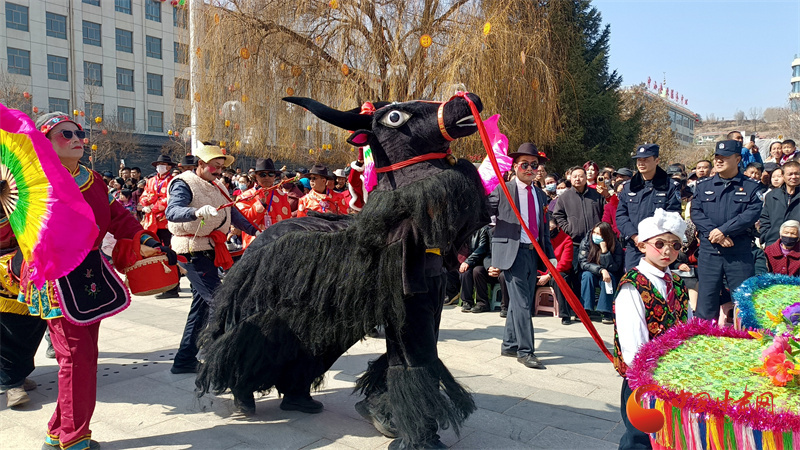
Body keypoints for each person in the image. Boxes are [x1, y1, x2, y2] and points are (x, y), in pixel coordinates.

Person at [24, 112, 174, 450]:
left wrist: (144, 239)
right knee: (74, 358)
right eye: (65, 134)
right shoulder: (34, 183)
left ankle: (58, 431)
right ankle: (74, 438)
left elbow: (119, 217)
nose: (77, 139)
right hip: (57, 275)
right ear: (44, 143)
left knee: (84, 357)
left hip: (91, 274)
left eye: (78, 133)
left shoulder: (92, 179)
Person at [165, 143, 258, 378]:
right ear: (201, 164)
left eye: (221, 167)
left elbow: (233, 213)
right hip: (191, 250)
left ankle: (184, 359)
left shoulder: (218, 185)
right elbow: (172, 211)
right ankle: (233, 356)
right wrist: (195, 212)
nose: (219, 171)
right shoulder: (183, 182)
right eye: (215, 166)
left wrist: (255, 231)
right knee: (222, 302)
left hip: (210, 249)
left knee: (202, 307)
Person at [613, 209, 691, 450]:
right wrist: (650, 375)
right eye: (660, 244)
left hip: (675, 377)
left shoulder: (678, 283)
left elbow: (689, 327)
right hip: (644, 379)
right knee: (640, 439)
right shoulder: (632, 285)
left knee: (670, 435)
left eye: (675, 245)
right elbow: (633, 345)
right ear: (642, 245)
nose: (668, 251)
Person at [487, 143, 556, 370]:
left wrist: (550, 256)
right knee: (523, 304)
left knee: (519, 302)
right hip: (512, 254)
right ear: (515, 166)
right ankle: (526, 351)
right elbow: (484, 213)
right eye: (524, 164)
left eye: (534, 165)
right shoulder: (503, 189)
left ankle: (509, 344)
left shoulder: (540, 195)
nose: (529, 169)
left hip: (532, 253)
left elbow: (544, 229)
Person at [691, 140, 763, 321]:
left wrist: (724, 231)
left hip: (738, 252)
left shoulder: (751, 186)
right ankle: (704, 336)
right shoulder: (703, 185)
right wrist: (715, 234)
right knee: (706, 302)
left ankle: (745, 336)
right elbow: (696, 212)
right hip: (710, 251)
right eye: (717, 156)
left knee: (744, 303)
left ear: (738, 159)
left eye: (725, 157)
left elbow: (751, 214)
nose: (719, 160)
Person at [616, 144, 682, 271]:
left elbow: (673, 216)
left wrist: (653, 239)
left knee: (656, 281)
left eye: (645, 159)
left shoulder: (670, 186)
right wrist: (635, 236)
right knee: (634, 280)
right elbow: (621, 215)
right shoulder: (629, 187)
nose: (641, 163)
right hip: (635, 246)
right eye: (639, 160)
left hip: (658, 247)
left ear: (657, 161)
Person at [553, 166, 605, 296]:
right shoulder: (565, 197)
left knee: (593, 273)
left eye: (581, 176)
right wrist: (568, 228)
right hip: (575, 243)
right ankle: (577, 304)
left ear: (586, 177)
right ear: (570, 178)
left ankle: (591, 303)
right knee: (576, 275)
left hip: (594, 243)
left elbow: (605, 212)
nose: (578, 179)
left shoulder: (596, 195)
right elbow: (558, 215)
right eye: (574, 176)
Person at [139, 154, 179, 299]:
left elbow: (169, 200)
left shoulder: (173, 181)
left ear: (169, 167)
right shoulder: (150, 181)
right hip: (152, 222)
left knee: (170, 253)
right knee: (155, 252)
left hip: (166, 222)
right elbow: (143, 196)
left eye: (163, 164)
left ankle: (173, 286)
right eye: (158, 165)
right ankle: (163, 282)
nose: (160, 167)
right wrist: (146, 203)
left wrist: (153, 207)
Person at [235, 158, 292, 249]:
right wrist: (260, 204)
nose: (267, 177)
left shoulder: (282, 196)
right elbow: (243, 222)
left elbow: (288, 223)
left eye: (270, 174)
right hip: (254, 246)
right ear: (256, 176)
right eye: (262, 174)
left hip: (278, 246)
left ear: (274, 176)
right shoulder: (245, 196)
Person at [579, 222, 624, 324]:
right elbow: (583, 263)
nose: (595, 235)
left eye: (599, 234)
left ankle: (606, 311)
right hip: (591, 271)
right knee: (587, 276)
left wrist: (605, 252)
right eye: (594, 232)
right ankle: (586, 309)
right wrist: (601, 270)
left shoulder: (615, 244)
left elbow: (615, 266)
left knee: (609, 278)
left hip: (608, 273)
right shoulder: (586, 241)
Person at [539, 216, 574, 325]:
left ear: (558, 226)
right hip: (543, 271)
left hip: (558, 272)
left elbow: (565, 263)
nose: (549, 230)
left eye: (551, 227)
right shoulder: (542, 238)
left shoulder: (566, 240)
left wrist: (549, 275)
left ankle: (565, 314)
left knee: (559, 280)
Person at [759, 161, 800, 247]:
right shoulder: (772, 196)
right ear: (783, 176)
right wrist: (766, 235)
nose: (794, 177)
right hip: (773, 243)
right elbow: (765, 219)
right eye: (790, 174)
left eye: (797, 174)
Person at [457, 225, 490, 312]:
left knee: (477, 271)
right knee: (464, 272)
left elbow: (482, 249)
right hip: (469, 261)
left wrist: (468, 261)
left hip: (481, 261)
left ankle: (482, 303)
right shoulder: (464, 230)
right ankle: (467, 302)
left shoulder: (483, 229)